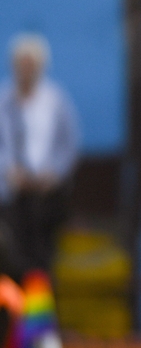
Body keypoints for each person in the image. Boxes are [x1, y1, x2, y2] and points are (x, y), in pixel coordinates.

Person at [0, 33, 80, 278]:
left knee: (42, 263)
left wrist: (53, 174)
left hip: (46, 198)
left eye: (31, 64)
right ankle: (13, 314)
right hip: (10, 196)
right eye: (22, 64)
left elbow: (69, 144)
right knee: (12, 259)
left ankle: (40, 315)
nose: (26, 70)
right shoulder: (3, 101)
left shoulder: (55, 100)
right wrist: (9, 171)